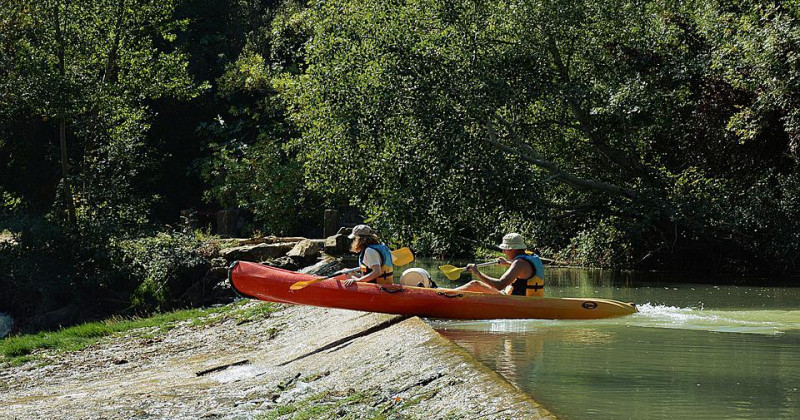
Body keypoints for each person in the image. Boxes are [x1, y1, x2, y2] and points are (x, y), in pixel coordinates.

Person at [457, 233, 545, 297]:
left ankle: (445, 295)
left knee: (474, 284)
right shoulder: (531, 257)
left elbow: (500, 285)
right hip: (533, 300)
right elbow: (526, 270)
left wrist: (477, 273)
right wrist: (507, 263)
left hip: (515, 302)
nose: (503, 251)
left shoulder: (519, 263)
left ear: (513, 249)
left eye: (505, 249)